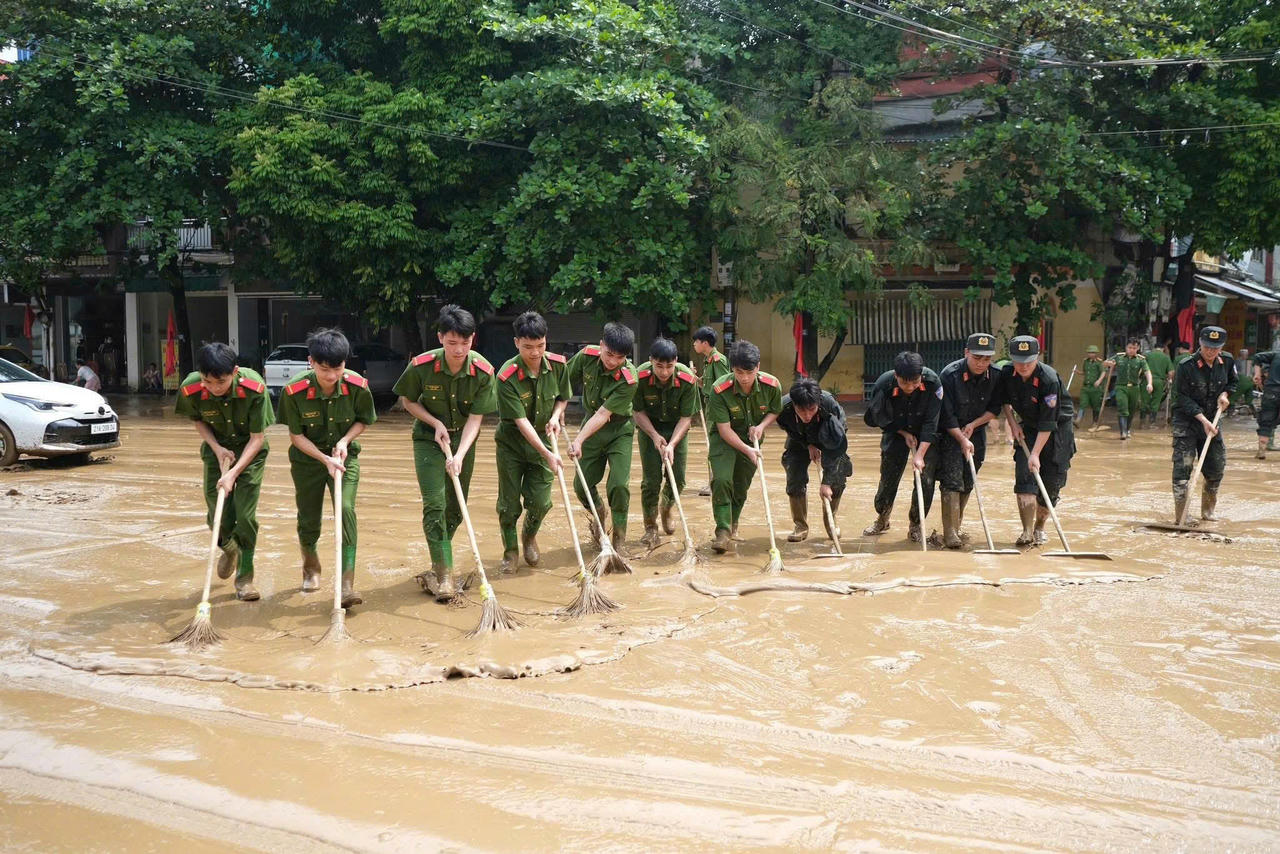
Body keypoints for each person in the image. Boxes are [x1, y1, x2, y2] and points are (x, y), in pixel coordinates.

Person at [393, 305, 497, 601]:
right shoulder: (422, 366)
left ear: (472, 339)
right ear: (440, 338)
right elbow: (408, 401)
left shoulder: (483, 371)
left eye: (465, 343)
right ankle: (444, 575)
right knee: (435, 505)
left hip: (464, 440)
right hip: (428, 439)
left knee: (455, 509)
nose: (459, 349)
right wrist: (435, 422)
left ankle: (440, 551)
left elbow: (476, 419)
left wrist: (461, 454)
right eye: (452, 343)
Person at [277, 328, 377, 608]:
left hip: (345, 460)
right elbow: (296, 437)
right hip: (308, 461)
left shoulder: (358, 386)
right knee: (309, 518)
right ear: (311, 362)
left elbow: (363, 420)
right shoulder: (293, 391)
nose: (331, 376)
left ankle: (346, 584)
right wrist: (325, 460)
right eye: (324, 369)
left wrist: (345, 441)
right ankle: (311, 568)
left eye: (338, 368)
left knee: (345, 511)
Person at [175, 344, 273, 600]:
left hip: (250, 453)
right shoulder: (191, 388)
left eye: (221, 381)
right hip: (216, 450)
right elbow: (198, 420)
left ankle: (245, 579)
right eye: (208, 381)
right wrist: (217, 449)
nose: (214, 388)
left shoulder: (254, 388)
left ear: (235, 372)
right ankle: (230, 550)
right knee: (216, 515)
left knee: (246, 516)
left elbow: (258, 438)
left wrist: (233, 472)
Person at [494, 312, 571, 574]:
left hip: (545, 439)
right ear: (516, 343)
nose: (535, 353)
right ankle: (510, 552)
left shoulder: (559, 365)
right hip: (513, 445)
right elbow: (520, 422)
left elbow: (562, 397)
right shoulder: (506, 376)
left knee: (541, 501)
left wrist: (555, 415)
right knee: (508, 504)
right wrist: (548, 454)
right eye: (528, 347)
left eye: (540, 346)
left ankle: (529, 536)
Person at [991, 335, 1075, 546]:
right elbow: (1004, 402)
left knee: (1051, 485)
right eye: (1018, 360)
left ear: (1038, 357)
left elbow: (1048, 422)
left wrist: (1036, 453)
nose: (1023, 365)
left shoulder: (1048, 379)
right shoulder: (1007, 373)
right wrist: (1013, 423)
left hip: (1057, 431)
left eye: (1028, 360)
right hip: (1028, 426)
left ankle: (1039, 527)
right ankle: (1027, 532)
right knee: (1025, 479)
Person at [705, 339, 782, 553]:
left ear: (758, 367)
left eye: (749, 372)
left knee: (740, 486)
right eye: (739, 372)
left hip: (752, 440)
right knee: (721, 480)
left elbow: (775, 410)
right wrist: (747, 449)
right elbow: (724, 429)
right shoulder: (719, 389)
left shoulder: (772, 385)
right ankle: (722, 530)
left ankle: (733, 525)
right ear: (732, 369)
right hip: (725, 439)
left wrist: (761, 426)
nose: (745, 378)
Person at [567, 323, 638, 550]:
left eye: (620, 357)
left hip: (619, 429)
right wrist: (556, 409)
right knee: (581, 485)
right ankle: (597, 508)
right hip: (591, 426)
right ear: (601, 346)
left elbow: (603, 414)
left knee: (618, 485)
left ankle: (618, 539)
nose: (613, 361)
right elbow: (563, 382)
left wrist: (578, 440)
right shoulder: (586, 357)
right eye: (609, 354)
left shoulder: (630, 378)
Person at [861, 351, 942, 543]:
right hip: (895, 431)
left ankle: (915, 525)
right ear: (896, 376)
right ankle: (882, 518)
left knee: (925, 479)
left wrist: (920, 454)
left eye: (915, 382)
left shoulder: (933, 383)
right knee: (888, 477)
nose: (910, 387)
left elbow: (932, 422)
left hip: (925, 435)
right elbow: (879, 418)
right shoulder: (883, 384)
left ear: (921, 376)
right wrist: (903, 433)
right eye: (905, 383)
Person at [632, 338, 698, 547]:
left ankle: (667, 506)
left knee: (678, 479)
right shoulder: (639, 377)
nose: (664, 372)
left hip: (677, 429)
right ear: (651, 361)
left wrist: (671, 445)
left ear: (676, 361)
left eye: (669, 366)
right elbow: (637, 412)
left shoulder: (687, 379)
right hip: (649, 428)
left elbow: (686, 419)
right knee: (651, 481)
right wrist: (653, 436)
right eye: (659, 366)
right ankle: (650, 527)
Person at [936, 333, 999, 549]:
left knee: (968, 480)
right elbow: (946, 414)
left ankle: (958, 523)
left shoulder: (996, 375)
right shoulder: (950, 375)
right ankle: (950, 532)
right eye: (976, 358)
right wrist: (961, 437)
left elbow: (995, 409)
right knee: (952, 480)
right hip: (951, 432)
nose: (981, 363)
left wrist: (975, 424)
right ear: (966, 353)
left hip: (977, 432)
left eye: (986, 359)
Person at [1171, 326, 1235, 523]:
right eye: (1207, 347)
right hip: (1188, 423)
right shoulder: (1185, 366)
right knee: (1182, 471)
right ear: (1200, 343)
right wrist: (1202, 419)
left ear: (1221, 347)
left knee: (1215, 469)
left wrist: (1225, 395)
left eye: (1215, 348)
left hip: (1213, 422)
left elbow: (1232, 383)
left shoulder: (1227, 361)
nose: (1210, 352)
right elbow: (1180, 397)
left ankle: (1207, 514)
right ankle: (1181, 517)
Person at [777, 377, 851, 543]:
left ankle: (830, 523)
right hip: (799, 439)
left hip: (830, 438)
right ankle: (800, 526)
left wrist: (826, 482)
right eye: (802, 411)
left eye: (811, 409)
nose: (807, 415)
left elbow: (837, 446)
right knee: (794, 476)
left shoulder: (830, 406)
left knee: (837, 478)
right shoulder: (783, 408)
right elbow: (788, 428)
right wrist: (808, 444)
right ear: (794, 405)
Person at [692, 326, 730, 495]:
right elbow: (706, 385)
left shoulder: (717, 360)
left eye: (696, 341)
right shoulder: (708, 361)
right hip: (709, 406)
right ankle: (714, 481)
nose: (694, 344)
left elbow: (723, 385)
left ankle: (715, 483)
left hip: (716, 408)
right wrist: (696, 379)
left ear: (705, 343)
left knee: (715, 444)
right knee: (712, 443)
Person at [1102, 338, 1152, 439]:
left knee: (1131, 410)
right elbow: (1104, 363)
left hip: (1134, 388)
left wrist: (1150, 383)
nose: (1131, 350)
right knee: (1122, 408)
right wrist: (1108, 364)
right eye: (1129, 347)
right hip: (1121, 387)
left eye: (1134, 348)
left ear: (1137, 348)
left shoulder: (1141, 360)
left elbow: (1147, 372)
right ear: (1126, 347)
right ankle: (1123, 432)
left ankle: (1127, 429)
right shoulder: (1119, 357)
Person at [1252, 349, 1279, 459]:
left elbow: (1257, 357)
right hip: (1272, 390)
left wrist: (1257, 374)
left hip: (1272, 392)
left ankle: (1261, 451)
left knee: (1266, 421)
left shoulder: (1276, 354)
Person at [1140, 342, 1173, 428]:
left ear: (1154, 348)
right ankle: (1152, 424)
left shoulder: (1147, 355)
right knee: (1156, 402)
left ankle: (1142, 423)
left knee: (1144, 400)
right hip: (1159, 381)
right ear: (1162, 349)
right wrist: (1169, 380)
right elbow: (1171, 372)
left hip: (1146, 381)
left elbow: (1140, 368)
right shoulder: (1166, 357)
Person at [1076, 345, 1105, 426]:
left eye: (1092, 352)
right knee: (1082, 403)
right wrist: (1077, 372)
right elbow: (1084, 372)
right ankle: (1078, 420)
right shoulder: (1086, 361)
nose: (1090, 354)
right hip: (1086, 387)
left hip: (1095, 388)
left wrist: (1099, 381)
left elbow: (1103, 372)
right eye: (1089, 352)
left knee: (1096, 406)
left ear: (1096, 353)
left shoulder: (1099, 362)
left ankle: (1095, 422)